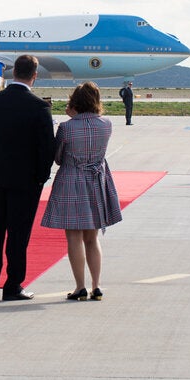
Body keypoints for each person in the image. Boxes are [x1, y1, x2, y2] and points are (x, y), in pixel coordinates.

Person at [0, 54, 57, 301]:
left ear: (13, 72)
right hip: (26, 180)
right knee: (18, 235)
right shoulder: (39, 107)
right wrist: (40, 176)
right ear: (34, 76)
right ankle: (12, 285)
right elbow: (46, 148)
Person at [41, 82, 121, 301]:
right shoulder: (106, 124)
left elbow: (57, 157)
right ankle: (97, 285)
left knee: (74, 237)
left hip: (71, 179)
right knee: (92, 238)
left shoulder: (67, 127)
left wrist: (70, 117)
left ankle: (80, 287)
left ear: (74, 101)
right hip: (96, 181)